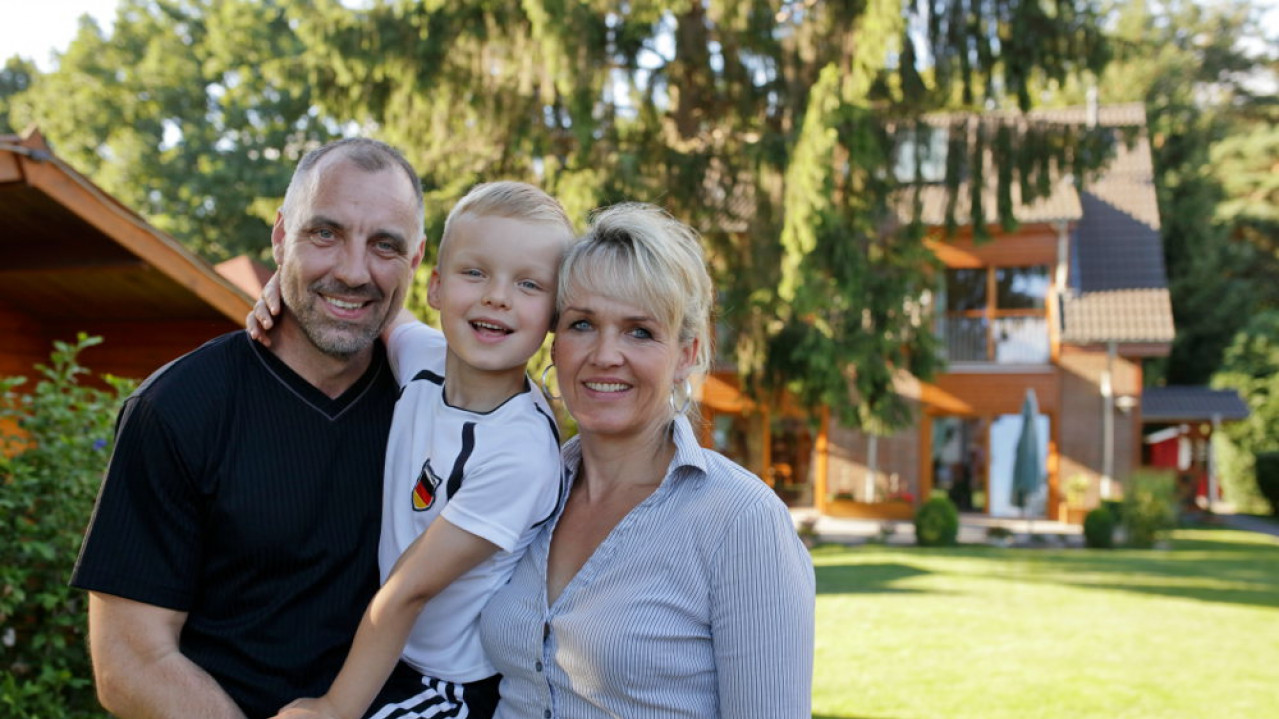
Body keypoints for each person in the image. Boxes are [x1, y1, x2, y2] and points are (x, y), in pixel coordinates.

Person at [70, 137, 427, 718]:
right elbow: (129, 660)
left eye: (384, 245)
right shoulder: (178, 407)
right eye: (325, 233)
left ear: (414, 262)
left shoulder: (438, 406)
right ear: (281, 235)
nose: (353, 271)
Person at [478, 202, 816, 718]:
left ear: (685, 354)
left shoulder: (740, 521)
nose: (605, 354)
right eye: (582, 324)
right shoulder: (529, 490)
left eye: (640, 331)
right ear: (555, 342)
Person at [253, 181, 575, 719]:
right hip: (384, 647)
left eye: (528, 284)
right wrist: (280, 292)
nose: (497, 295)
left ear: (556, 315)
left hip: (448, 680)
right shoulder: (422, 357)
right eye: (475, 273)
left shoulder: (519, 451)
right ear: (435, 288)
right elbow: (381, 318)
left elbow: (410, 591)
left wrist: (334, 709)